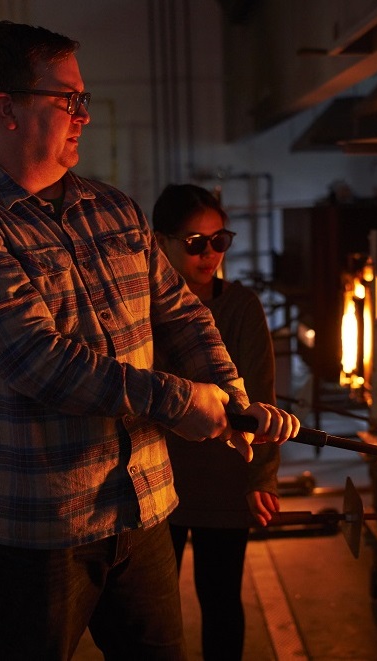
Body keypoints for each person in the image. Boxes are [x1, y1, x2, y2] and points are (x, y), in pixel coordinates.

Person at [0, 21, 299, 661]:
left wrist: (230, 396)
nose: (83, 115)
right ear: (6, 109)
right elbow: (40, 363)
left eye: (82, 99)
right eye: (67, 99)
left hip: (144, 509)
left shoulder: (112, 209)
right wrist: (181, 400)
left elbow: (182, 314)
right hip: (40, 528)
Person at [152, 184, 280, 661]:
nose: (209, 254)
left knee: (221, 597)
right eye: (194, 242)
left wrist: (261, 477)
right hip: (158, 477)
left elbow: (261, 397)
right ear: (159, 242)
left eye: (218, 240)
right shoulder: (141, 309)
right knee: (150, 609)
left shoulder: (240, 307)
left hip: (224, 478)